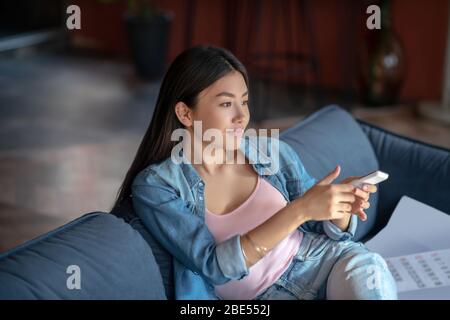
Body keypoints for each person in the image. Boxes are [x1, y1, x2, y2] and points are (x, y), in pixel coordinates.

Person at [114, 44, 398, 300]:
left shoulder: (272, 152)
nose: (241, 116)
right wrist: (299, 210)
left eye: (244, 101)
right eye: (226, 104)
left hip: (328, 262)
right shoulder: (157, 186)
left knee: (367, 270)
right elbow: (214, 267)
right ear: (186, 114)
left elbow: (326, 232)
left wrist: (339, 209)